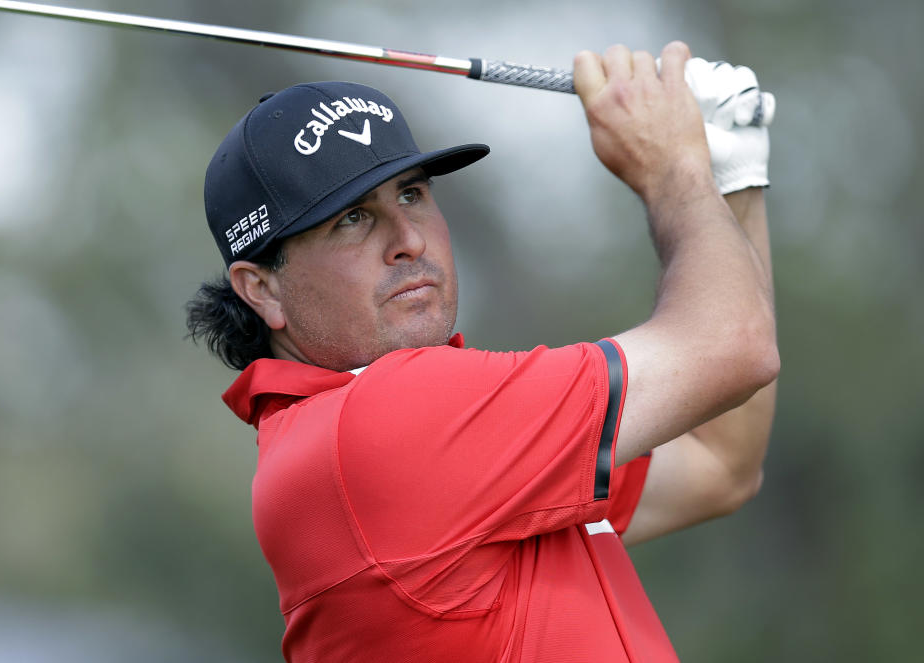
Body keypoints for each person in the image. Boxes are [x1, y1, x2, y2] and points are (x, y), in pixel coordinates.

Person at [187, 41, 779, 662]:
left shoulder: (400, 440)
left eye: (412, 194)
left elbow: (718, 466)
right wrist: (675, 171)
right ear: (263, 289)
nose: (408, 240)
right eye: (352, 220)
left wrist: (730, 177)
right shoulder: (380, 424)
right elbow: (733, 346)